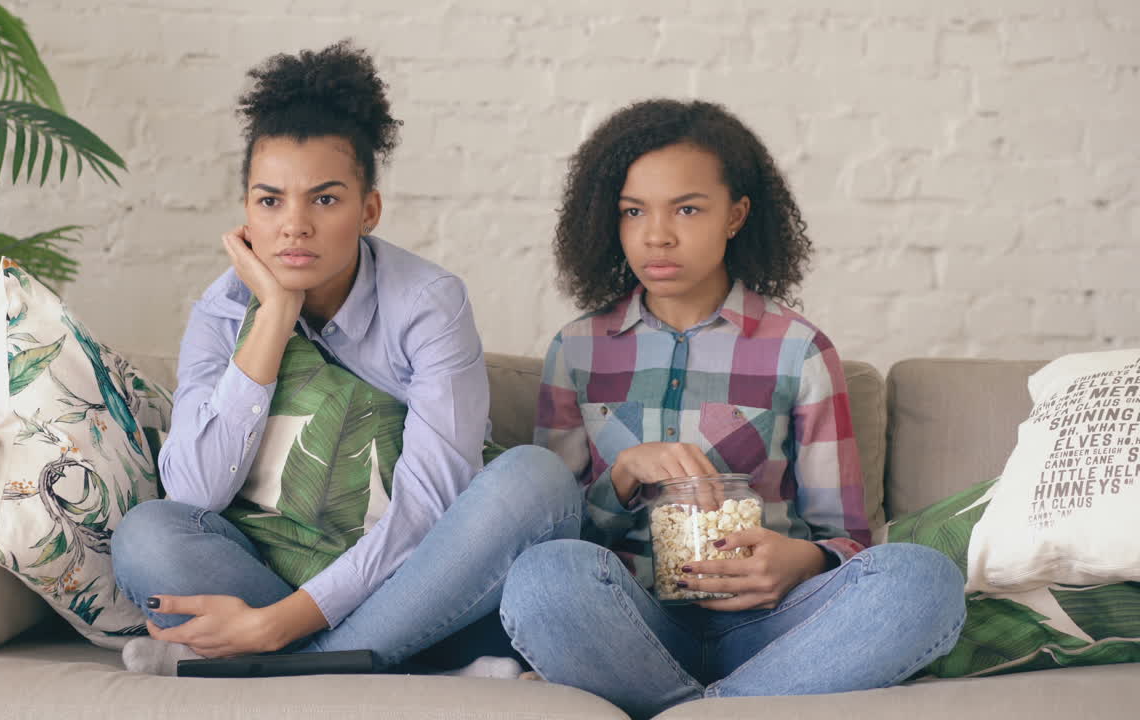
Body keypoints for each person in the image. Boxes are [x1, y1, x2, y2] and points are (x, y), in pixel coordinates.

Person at [110, 41, 580, 676]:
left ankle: (301, 664)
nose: (294, 225)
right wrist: (275, 312)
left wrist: (279, 624)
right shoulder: (223, 313)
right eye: (270, 201)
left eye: (324, 200)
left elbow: (430, 510)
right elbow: (195, 490)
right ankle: (406, 662)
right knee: (148, 536)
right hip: (277, 565)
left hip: (419, 579)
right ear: (246, 213)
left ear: (369, 210)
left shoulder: (429, 304)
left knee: (537, 480)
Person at [499, 99, 965, 718]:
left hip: (778, 626)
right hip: (632, 626)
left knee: (923, 579)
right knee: (544, 575)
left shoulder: (799, 350)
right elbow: (560, 531)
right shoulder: (578, 350)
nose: (657, 235)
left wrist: (798, 560)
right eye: (633, 211)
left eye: (687, 209)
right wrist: (626, 473)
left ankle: (702, 709)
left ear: (736, 216)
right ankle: (740, 708)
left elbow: (847, 536)